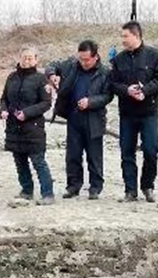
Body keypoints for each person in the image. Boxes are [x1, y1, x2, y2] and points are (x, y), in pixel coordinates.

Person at [45, 40, 113, 200]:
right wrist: (52, 75)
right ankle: (73, 186)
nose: (83, 62)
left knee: (94, 155)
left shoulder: (105, 72)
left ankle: (95, 187)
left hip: (94, 118)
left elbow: (108, 95)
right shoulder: (71, 65)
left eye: (86, 59)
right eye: (81, 58)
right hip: (73, 117)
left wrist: (91, 102)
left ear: (95, 57)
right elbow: (52, 65)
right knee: (73, 154)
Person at [109, 21, 158, 203]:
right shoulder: (118, 59)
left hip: (148, 111)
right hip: (127, 112)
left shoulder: (155, 55)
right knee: (127, 151)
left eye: (125, 36)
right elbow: (112, 83)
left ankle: (147, 186)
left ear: (137, 35)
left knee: (151, 150)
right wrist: (127, 90)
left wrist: (145, 91)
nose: (123, 40)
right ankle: (130, 190)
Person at [0, 47, 55, 204]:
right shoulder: (11, 77)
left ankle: (48, 194)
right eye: (24, 57)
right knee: (20, 161)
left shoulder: (41, 79)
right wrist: (3, 110)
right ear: (19, 58)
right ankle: (26, 190)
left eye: (30, 58)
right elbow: (4, 98)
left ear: (36, 60)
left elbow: (46, 103)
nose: (27, 61)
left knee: (38, 161)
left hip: (33, 127)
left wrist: (27, 113)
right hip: (13, 127)